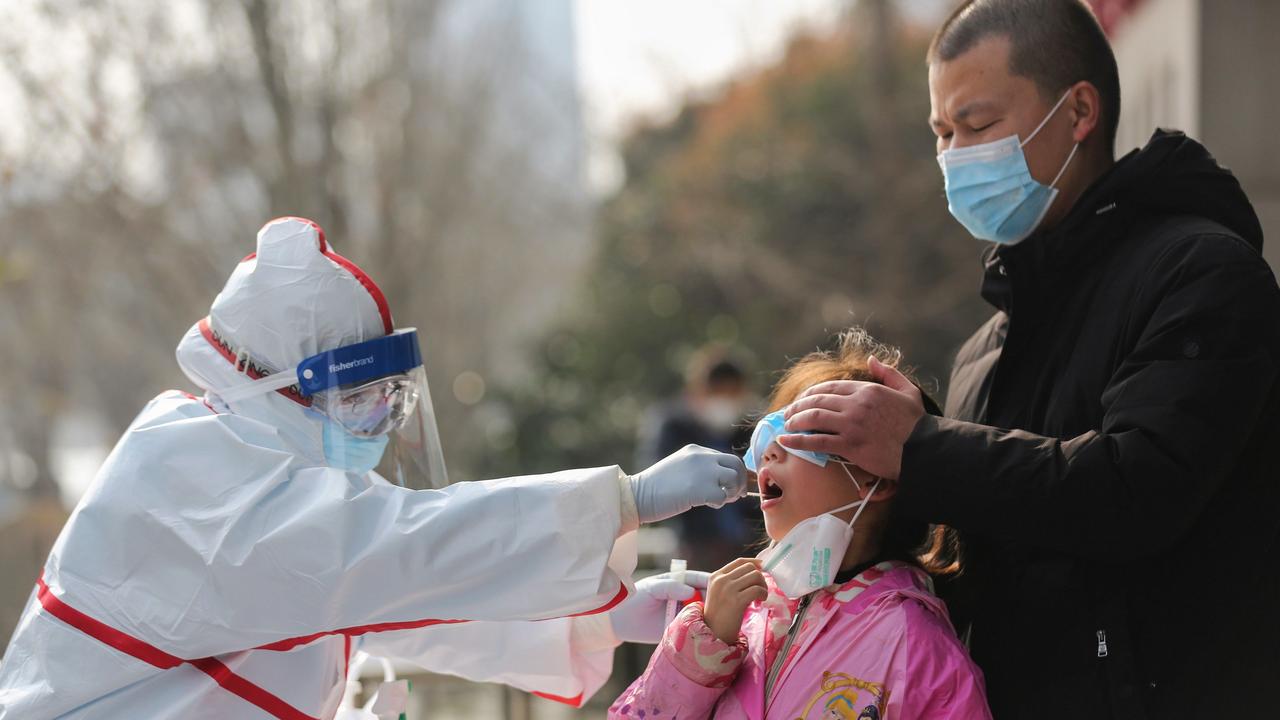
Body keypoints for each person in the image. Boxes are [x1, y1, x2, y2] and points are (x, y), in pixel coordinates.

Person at [0, 217, 749, 719]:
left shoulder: (250, 462)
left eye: (389, 400)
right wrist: (629, 499)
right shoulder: (194, 485)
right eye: (359, 399)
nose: (379, 424)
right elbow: (406, 551)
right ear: (279, 386)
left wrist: (594, 620)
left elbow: (400, 609)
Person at [781, 2, 1280, 717]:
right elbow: (985, 555)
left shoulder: (1201, 273)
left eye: (977, 126)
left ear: (1079, 111)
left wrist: (921, 447)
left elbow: (1135, 494)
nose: (955, 156)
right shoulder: (985, 347)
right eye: (942, 134)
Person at [609, 330, 991, 719]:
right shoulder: (738, 617)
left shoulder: (917, 648)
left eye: (802, 436)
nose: (770, 452)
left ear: (877, 478)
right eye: (768, 434)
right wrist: (699, 650)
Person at [637, 347, 758, 572]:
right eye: (718, 393)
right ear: (699, 391)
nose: (724, 402)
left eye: (732, 394)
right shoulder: (674, 426)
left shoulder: (753, 427)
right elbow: (656, 479)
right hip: (693, 546)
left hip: (749, 545)